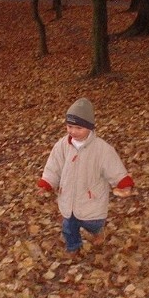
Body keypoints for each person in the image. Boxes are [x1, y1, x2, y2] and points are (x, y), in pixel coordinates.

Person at [37, 98, 135, 255]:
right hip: (68, 197)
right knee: (68, 227)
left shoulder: (102, 149)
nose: (73, 131)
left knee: (93, 223)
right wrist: (47, 183)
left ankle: (97, 231)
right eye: (69, 126)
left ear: (90, 128)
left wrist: (122, 183)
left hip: (91, 199)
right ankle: (73, 247)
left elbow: (113, 166)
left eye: (78, 127)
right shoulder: (62, 145)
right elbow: (54, 165)